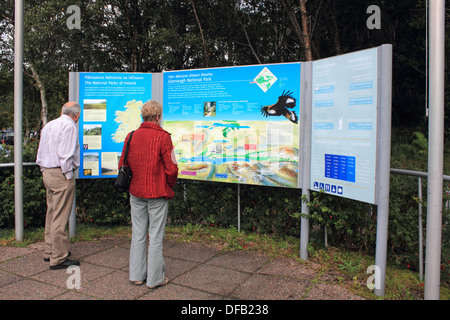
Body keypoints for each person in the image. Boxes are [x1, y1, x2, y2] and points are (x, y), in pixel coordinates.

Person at [118, 100, 178, 288]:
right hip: (157, 193)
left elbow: (122, 164)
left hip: (136, 192)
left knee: (138, 234)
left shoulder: (131, 136)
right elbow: (172, 168)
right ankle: (154, 279)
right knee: (156, 236)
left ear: (143, 117)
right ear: (158, 117)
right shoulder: (163, 137)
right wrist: (169, 185)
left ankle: (136, 275)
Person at [36, 101, 81, 270]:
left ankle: (50, 251)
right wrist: (68, 175)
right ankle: (59, 258)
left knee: (52, 212)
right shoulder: (69, 126)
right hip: (61, 174)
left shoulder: (49, 125)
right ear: (76, 115)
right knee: (60, 217)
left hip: (47, 172)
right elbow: (66, 154)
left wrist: (43, 168)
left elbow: (40, 151)